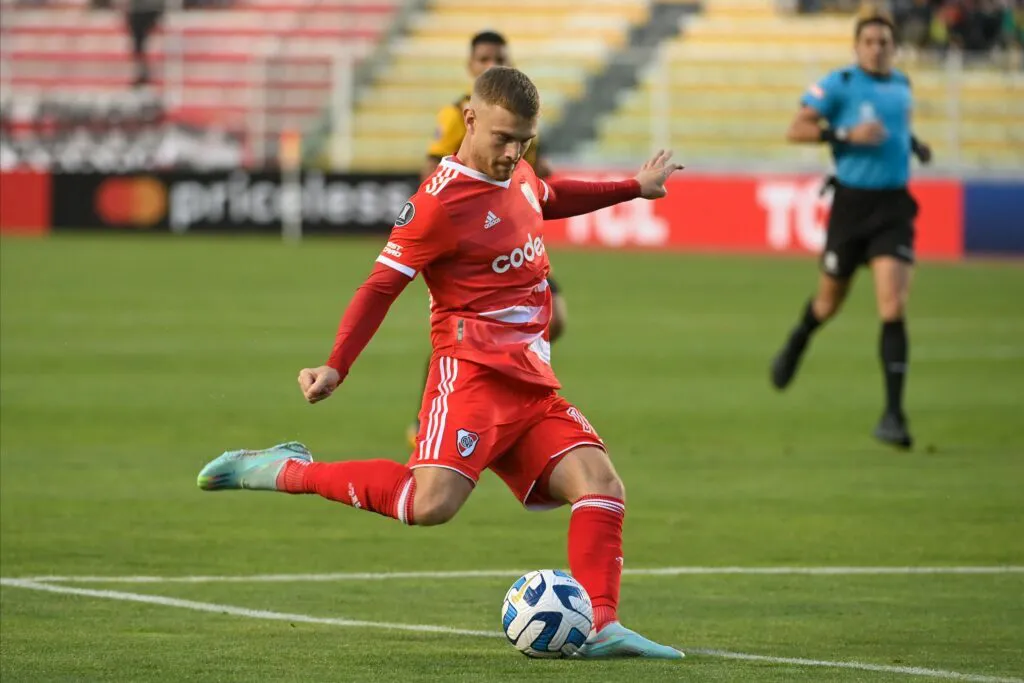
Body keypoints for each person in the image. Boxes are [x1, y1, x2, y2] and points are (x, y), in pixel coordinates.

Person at [197, 66, 685, 659]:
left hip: (531, 383)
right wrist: (335, 366)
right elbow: (380, 286)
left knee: (602, 486)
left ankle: (601, 624)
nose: (513, 152)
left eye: (524, 140)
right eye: (503, 138)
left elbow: (549, 197)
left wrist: (634, 186)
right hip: (472, 377)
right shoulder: (437, 204)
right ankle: (285, 470)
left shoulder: (522, 172)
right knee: (430, 505)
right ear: (471, 119)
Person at [770, 14, 932, 449]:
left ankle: (893, 415)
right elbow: (796, 129)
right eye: (869, 41)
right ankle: (800, 337)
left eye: (884, 41)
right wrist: (844, 132)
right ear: (857, 46)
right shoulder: (838, 85)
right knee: (828, 303)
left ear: (893, 47)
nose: (877, 47)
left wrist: (912, 144)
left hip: (894, 206)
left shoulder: (902, 85)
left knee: (892, 305)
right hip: (851, 207)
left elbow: (895, 127)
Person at [407, 30, 565, 448]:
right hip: (478, 244)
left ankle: (511, 395)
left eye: (499, 56)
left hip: (519, 242)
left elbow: (534, 172)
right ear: (470, 66)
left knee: (555, 318)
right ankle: (431, 414)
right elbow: (432, 170)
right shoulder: (458, 114)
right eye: (483, 58)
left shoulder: (521, 109)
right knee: (460, 333)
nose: (491, 63)